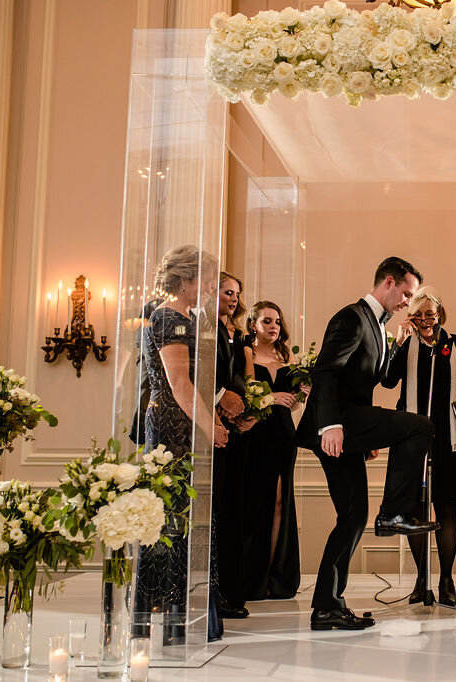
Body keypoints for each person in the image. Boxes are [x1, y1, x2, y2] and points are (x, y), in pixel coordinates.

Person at [296, 257, 438, 632]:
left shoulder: (379, 325)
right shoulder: (352, 317)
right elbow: (325, 370)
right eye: (407, 293)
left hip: (351, 427)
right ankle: (393, 512)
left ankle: (327, 605)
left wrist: (399, 345)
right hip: (336, 422)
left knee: (353, 516)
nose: (409, 301)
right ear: (388, 282)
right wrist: (331, 425)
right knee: (421, 427)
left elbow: (386, 382)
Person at [135, 245, 227, 644]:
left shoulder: (188, 317)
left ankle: (178, 615)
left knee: (184, 519)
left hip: (185, 424)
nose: (211, 286)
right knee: (170, 519)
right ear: (185, 279)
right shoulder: (168, 316)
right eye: (206, 278)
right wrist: (212, 428)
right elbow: (180, 385)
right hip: (172, 426)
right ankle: (158, 614)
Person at [381, 286, 456, 607]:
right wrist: (398, 343)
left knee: (445, 507)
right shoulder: (405, 345)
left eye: (431, 314)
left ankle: (446, 579)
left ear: (440, 314)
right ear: (410, 316)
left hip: (448, 436)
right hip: (411, 437)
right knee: (413, 509)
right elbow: (386, 380)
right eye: (419, 314)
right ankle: (421, 579)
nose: (426, 320)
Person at [241, 300, 303, 601]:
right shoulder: (247, 354)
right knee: (256, 503)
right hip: (256, 435)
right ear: (253, 324)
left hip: (283, 435)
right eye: (267, 321)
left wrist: (301, 393)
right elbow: (246, 397)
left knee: (281, 501)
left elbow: (291, 403)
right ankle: (253, 577)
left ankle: (276, 577)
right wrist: (271, 397)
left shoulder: (286, 355)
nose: (274, 326)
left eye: (277, 321)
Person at [212, 273, 250, 619]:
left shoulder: (234, 335)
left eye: (237, 294)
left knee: (230, 509)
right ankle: (212, 592)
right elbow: (203, 375)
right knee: (215, 510)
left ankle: (228, 590)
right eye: (228, 292)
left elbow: (239, 377)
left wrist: (242, 413)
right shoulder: (204, 329)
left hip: (231, 428)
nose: (234, 299)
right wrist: (222, 399)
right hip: (208, 427)